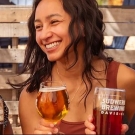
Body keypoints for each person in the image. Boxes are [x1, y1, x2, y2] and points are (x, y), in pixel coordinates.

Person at [8, 0, 135, 134]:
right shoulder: (33, 96)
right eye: (38, 26)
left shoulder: (125, 80)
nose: (44, 35)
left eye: (54, 22)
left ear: (84, 24)